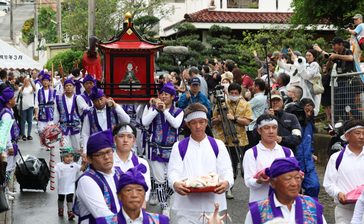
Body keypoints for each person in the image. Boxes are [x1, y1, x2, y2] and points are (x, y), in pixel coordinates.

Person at [168, 103, 234, 223]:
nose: (198, 126)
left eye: (201, 122)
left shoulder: (217, 145)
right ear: (188, 124)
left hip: (213, 206)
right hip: (186, 207)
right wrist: (175, 184)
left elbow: (226, 170)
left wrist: (226, 182)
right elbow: (173, 171)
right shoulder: (179, 146)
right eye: (194, 123)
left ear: (206, 122)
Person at [142, 82, 184, 214]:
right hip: (156, 149)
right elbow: (145, 122)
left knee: (172, 179)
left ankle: (167, 199)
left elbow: (176, 124)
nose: (163, 96)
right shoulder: (151, 107)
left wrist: (164, 110)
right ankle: (164, 205)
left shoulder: (179, 111)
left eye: (167, 94)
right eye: (162, 94)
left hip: (173, 151)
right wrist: (155, 109)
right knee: (160, 180)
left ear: (172, 97)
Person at [245, 157, 326, 224]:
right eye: (288, 179)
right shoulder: (257, 212)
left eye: (297, 178)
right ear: (273, 183)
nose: (294, 183)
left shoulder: (312, 206)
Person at [212, 82, 253, 199]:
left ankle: (230, 187)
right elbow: (213, 121)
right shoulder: (221, 103)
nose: (233, 95)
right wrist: (219, 119)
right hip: (222, 138)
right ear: (227, 93)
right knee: (222, 162)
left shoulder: (245, 105)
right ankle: (220, 184)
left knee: (234, 164)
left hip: (239, 139)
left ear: (240, 94)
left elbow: (247, 121)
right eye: (231, 93)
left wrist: (234, 119)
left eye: (236, 93)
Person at [243, 114, 294, 203]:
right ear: (259, 130)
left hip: (284, 203)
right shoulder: (251, 153)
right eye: (266, 128)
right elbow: (248, 181)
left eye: (274, 128)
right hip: (260, 203)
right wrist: (259, 181)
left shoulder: (287, 152)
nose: (271, 131)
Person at [74, 130, 121, 223]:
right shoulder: (87, 180)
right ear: (89, 159)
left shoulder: (118, 173)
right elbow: (103, 215)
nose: (107, 157)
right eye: (100, 154)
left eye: (109, 152)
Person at [323, 120, 364, 224]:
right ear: (347, 136)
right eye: (358, 133)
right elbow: (328, 183)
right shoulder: (336, 158)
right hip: (345, 211)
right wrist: (338, 193)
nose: (361, 136)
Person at [314, 37, 358, 121]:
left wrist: (336, 56)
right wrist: (328, 64)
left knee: (350, 104)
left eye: (335, 45)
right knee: (339, 105)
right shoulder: (335, 54)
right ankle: (345, 123)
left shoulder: (347, 51)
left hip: (349, 82)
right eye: (332, 45)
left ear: (341, 44)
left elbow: (350, 58)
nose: (333, 47)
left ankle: (359, 121)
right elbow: (329, 57)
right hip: (340, 82)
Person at [81, 86, 130, 154]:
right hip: (97, 147)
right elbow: (85, 133)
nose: (100, 102)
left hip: (114, 146)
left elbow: (127, 120)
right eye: (96, 101)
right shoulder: (89, 113)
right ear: (93, 102)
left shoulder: (114, 109)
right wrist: (85, 151)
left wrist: (115, 106)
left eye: (101, 99)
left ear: (105, 97)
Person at [112, 123, 151, 206]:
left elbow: (146, 189)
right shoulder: (108, 162)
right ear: (115, 139)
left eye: (129, 136)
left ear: (134, 140)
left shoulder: (142, 163)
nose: (125, 140)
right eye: (121, 136)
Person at [295, 98, 320, 198]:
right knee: (295, 189)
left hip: (308, 163)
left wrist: (312, 153)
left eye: (311, 106)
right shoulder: (295, 123)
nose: (309, 108)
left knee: (314, 186)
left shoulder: (310, 125)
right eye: (307, 105)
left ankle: (312, 209)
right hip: (296, 162)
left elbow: (309, 142)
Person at [54, 79, 82, 156]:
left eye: (70, 85)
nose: (68, 87)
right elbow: (56, 113)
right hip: (64, 127)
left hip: (76, 127)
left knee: (76, 149)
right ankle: (65, 166)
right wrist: (54, 125)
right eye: (66, 86)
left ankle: (75, 165)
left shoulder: (78, 98)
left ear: (73, 87)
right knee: (65, 149)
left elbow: (82, 112)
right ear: (64, 87)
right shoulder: (58, 99)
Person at [0, 87, 19, 200]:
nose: (15, 99)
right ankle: (4, 193)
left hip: (10, 143)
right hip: (7, 146)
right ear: (9, 101)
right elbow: (5, 132)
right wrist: (10, 146)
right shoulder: (6, 114)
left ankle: (6, 190)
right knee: (6, 169)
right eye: (14, 98)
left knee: (10, 168)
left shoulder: (9, 110)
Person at [55, 147, 81, 220]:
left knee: (70, 198)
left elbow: (81, 169)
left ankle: (70, 212)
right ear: (62, 157)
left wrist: (85, 163)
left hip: (70, 186)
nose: (69, 158)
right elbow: (54, 172)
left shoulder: (74, 165)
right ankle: (60, 209)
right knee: (61, 198)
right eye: (67, 156)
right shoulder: (59, 165)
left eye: (71, 156)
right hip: (62, 186)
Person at [34, 73, 57, 149]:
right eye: (44, 80)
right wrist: (36, 113)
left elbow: (55, 103)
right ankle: (42, 143)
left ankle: (48, 144)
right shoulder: (39, 91)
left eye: (47, 80)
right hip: (41, 112)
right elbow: (36, 102)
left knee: (49, 129)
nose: (45, 82)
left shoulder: (53, 91)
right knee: (41, 129)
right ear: (42, 81)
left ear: (49, 82)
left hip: (50, 112)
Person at [246, 79, 267, 150]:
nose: (252, 87)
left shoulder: (258, 98)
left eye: (253, 85)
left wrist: (242, 97)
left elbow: (245, 107)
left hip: (252, 126)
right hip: (256, 126)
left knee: (251, 148)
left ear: (257, 87)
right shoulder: (262, 97)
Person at [18, 77, 36, 141]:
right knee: (23, 121)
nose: (26, 81)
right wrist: (23, 84)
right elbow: (20, 91)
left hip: (30, 106)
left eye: (27, 81)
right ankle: (23, 135)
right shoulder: (21, 88)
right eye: (25, 80)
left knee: (30, 121)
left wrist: (31, 81)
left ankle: (29, 134)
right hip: (23, 106)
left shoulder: (31, 88)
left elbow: (35, 89)